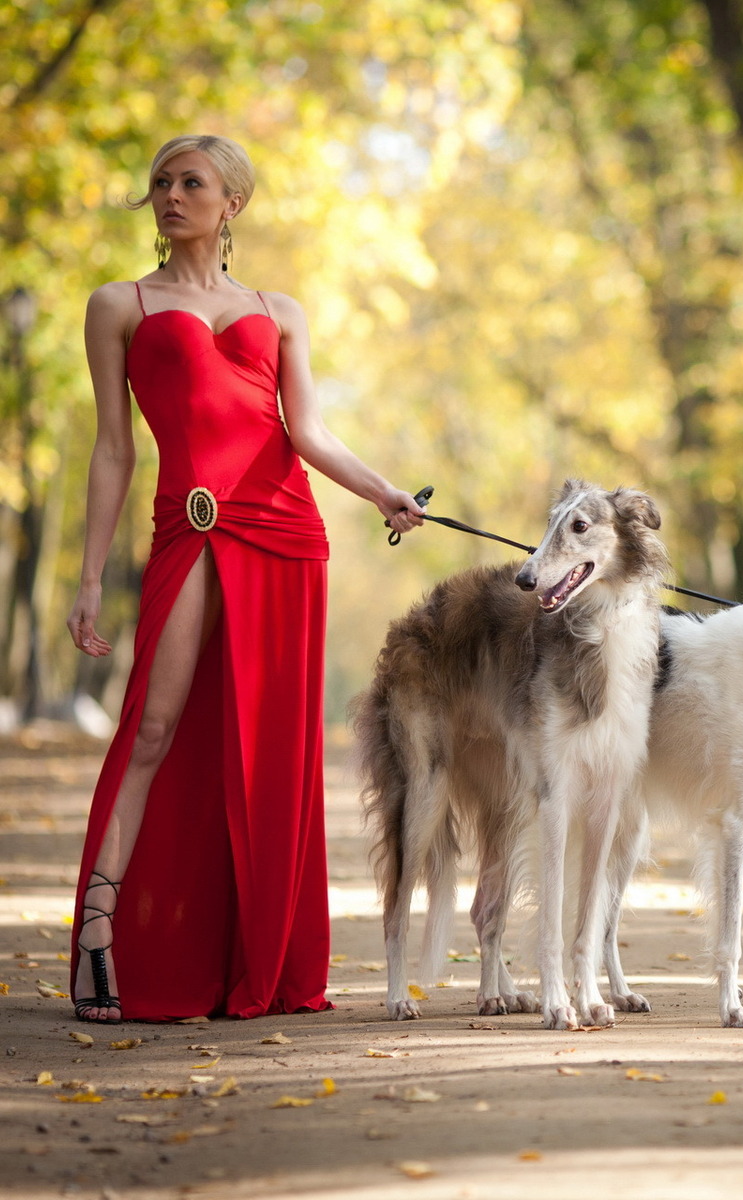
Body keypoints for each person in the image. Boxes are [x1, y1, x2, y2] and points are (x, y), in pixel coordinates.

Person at [66, 134, 425, 1022]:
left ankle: (257, 954)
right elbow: (113, 449)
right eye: (160, 182)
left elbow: (307, 432)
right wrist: (88, 577)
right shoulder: (119, 305)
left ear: (231, 203)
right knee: (154, 725)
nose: (170, 195)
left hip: (286, 534)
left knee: (268, 749)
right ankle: (99, 928)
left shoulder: (279, 309)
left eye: (190, 182)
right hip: (190, 528)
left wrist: (382, 491)